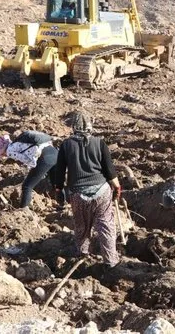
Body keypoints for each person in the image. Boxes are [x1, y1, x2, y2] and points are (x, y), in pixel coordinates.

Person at [54, 111, 122, 268]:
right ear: (91, 126)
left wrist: (59, 190)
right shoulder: (99, 143)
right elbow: (110, 171)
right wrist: (117, 187)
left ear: (73, 127)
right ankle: (111, 261)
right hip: (102, 191)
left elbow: (60, 172)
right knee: (106, 226)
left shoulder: (66, 145)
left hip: (78, 194)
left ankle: (82, 255)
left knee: (81, 226)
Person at [0, 131, 58, 209]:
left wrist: (33, 170)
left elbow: (27, 159)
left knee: (27, 186)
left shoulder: (9, 151)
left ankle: (23, 210)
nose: (3, 155)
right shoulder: (17, 143)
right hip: (55, 153)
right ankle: (62, 204)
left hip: (45, 158)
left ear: (2, 150)